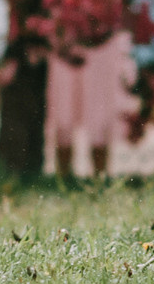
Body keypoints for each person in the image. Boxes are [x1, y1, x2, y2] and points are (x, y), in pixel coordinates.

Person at [48, 31, 135, 180]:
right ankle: (63, 177)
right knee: (64, 114)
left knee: (99, 116)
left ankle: (99, 177)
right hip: (64, 46)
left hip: (103, 46)